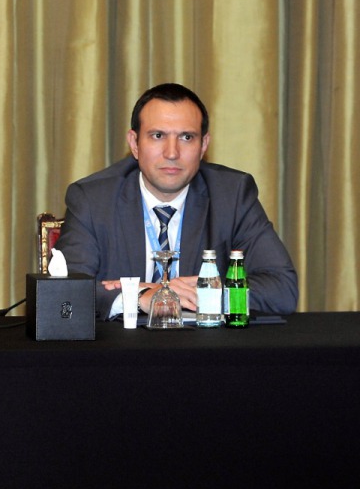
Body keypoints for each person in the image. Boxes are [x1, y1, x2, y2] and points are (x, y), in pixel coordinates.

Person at [56, 83, 297, 320]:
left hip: (207, 353)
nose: (172, 153)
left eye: (186, 137)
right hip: (121, 354)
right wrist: (139, 296)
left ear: (203, 146)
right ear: (134, 143)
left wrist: (207, 293)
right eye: (158, 135)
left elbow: (282, 289)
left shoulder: (232, 195)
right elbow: (63, 294)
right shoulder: (92, 199)